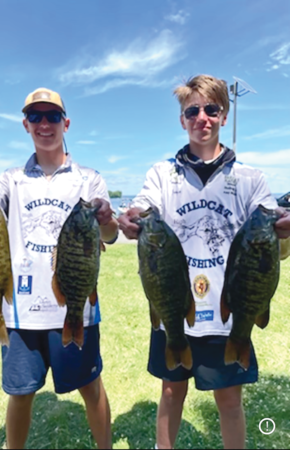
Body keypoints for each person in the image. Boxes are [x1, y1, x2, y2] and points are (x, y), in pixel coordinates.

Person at [118, 74, 290, 449]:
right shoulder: (162, 173)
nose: (202, 118)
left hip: (226, 307)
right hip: (174, 298)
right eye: (192, 110)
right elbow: (142, 207)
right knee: (170, 392)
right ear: (182, 119)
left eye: (211, 109)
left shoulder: (250, 178)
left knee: (229, 400)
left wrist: (284, 231)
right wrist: (131, 217)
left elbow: (273, 234)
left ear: (224, 115)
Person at [0, 87, 118, 449]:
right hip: (20, 311)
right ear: (25, 125)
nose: (45, 124)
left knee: (91, 386)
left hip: (75, 307)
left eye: (53, 116)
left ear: (66, 123)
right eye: (36, 117)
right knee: (21, 393)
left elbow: (110, 234)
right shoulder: (10, 179)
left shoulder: (89, 179)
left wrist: (107, 219)